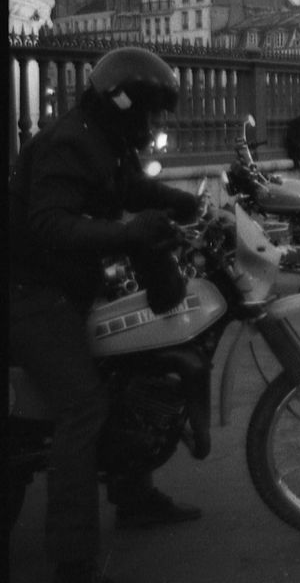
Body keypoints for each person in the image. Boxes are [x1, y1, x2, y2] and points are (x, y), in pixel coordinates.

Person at [8, 47, 204, 583]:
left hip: (71, 285)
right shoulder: (68, 143)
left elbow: (134, 189)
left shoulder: (107, 139)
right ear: (124, 103)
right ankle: (72, 557)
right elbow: (49, 224)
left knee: (133, 373)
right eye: (151, 112)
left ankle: (134, 498)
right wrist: (126, 233)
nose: (156, 122)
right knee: (84, 405)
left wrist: (193, 205)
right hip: (30, 294)